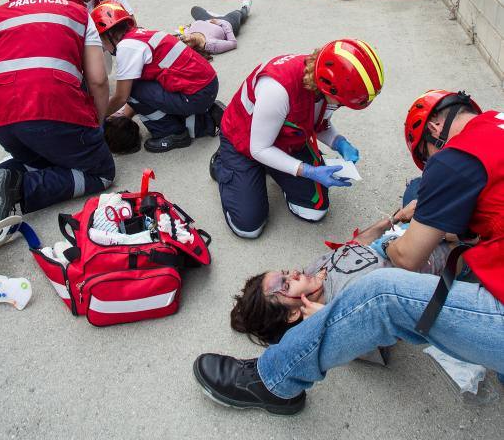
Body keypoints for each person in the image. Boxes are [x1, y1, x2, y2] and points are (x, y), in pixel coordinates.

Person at [192, 89, 504, 415]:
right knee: (419, 191)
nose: (294, 272)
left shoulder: (452, 162)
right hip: (452, 256)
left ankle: (272, 380)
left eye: (427, 154)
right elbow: (362, 251)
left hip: (455, 265)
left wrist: (328, 322)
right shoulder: (491, 124)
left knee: (382, 293)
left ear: (435, 127)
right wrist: (393, 221)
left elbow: (406, 259)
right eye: (286, 282)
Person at [0, 0, 114, 238]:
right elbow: (97, 79)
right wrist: (96, 124)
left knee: (42, 161)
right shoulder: (77, 13)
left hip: (3, 119)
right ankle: (21, 191)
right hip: (56, 110)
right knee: (102, 172)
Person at [210, 39, 384, 238]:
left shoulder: (323, 78)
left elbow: (317, 123)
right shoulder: (277, 90)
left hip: (284, 138)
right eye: (342, 102)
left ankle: (270, 168)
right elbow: (258, 149)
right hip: (243, 140)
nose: (341, 106)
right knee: (248, 227)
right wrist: (307, 171)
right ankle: (223, 162)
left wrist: (339, 142)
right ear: (330, 87)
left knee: (314, 210)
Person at [230, 215, 452, 346]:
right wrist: (330, 321)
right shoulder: (344, 308)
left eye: (286, 272)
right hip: (433, 253)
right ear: (293, 313)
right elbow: (383, 330)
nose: (295, 273)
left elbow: (353, 246)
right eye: (287, 285)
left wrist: (390, 220)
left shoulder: (313, 271)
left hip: (404, 235)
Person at [91, 1, 224, 153]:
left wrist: (97, 117)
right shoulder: (140, 35)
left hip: (197, 94)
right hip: (206, 86)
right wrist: (123, 114)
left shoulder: (126, 47)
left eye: (101, 41)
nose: (103, 47)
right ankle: (207, 118)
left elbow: (122, 96)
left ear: (109, 35)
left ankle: (171, 132)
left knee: (132, 90)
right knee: (138, 87)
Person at [180, 0, 253, 57]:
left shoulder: (187, 33)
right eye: (187, 43)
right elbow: (233, 43)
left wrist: (186, 28)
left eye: (183, 39)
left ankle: (216, 16)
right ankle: (245, 7)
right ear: (191, 49)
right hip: (227, 22)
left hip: (209, 19)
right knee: (239, 13)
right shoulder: (211, 45)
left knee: (195, 9)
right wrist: (220, 23)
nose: (188, 39)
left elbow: (185, 30)